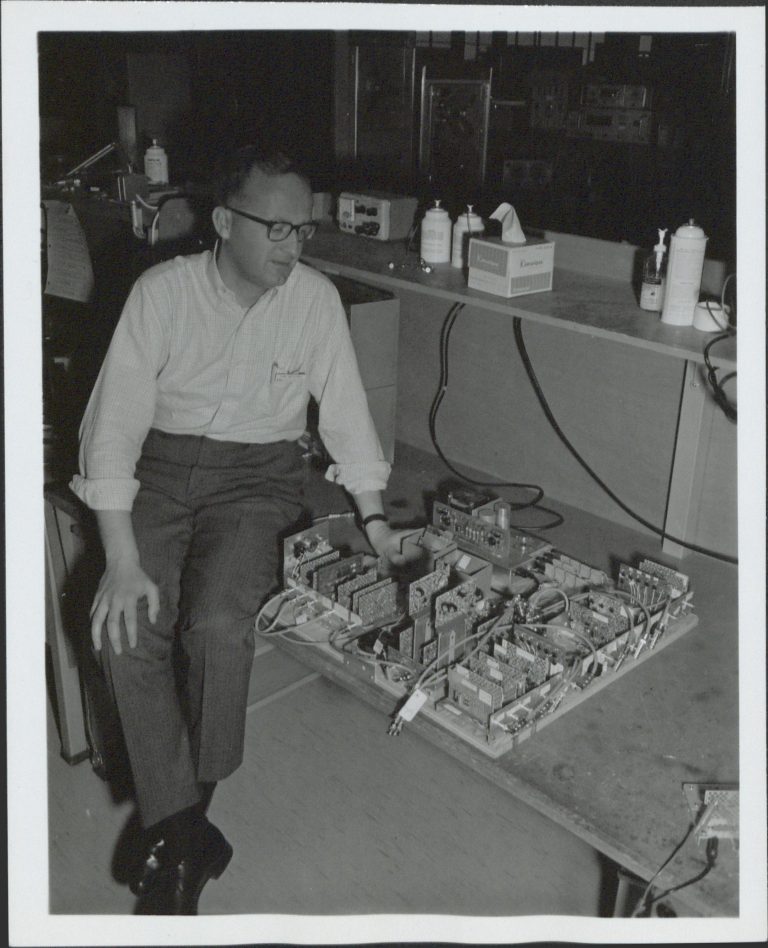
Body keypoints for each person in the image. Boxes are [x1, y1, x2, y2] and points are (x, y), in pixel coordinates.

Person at [70, 144, 407, 914]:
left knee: (220, 626)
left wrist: (378, 522)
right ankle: (189, 838)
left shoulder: (316, 301)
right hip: (159, 468)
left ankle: (183, 828)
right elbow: (113, 426)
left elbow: (347, 411)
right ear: (224, 222)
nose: (294, 247)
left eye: (304, 231)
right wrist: (121, 559)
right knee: (126, 624)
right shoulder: (161, 293)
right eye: (278, 229)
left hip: (258, 479)